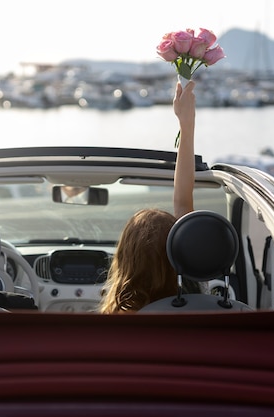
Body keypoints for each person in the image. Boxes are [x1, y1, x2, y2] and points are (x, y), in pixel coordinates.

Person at [98, 80, 200, 314]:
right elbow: (183, 201)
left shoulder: (115, 324)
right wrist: (187, 123)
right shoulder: (198, 310)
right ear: (178, 254)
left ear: (125, 259)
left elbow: (183, 201)